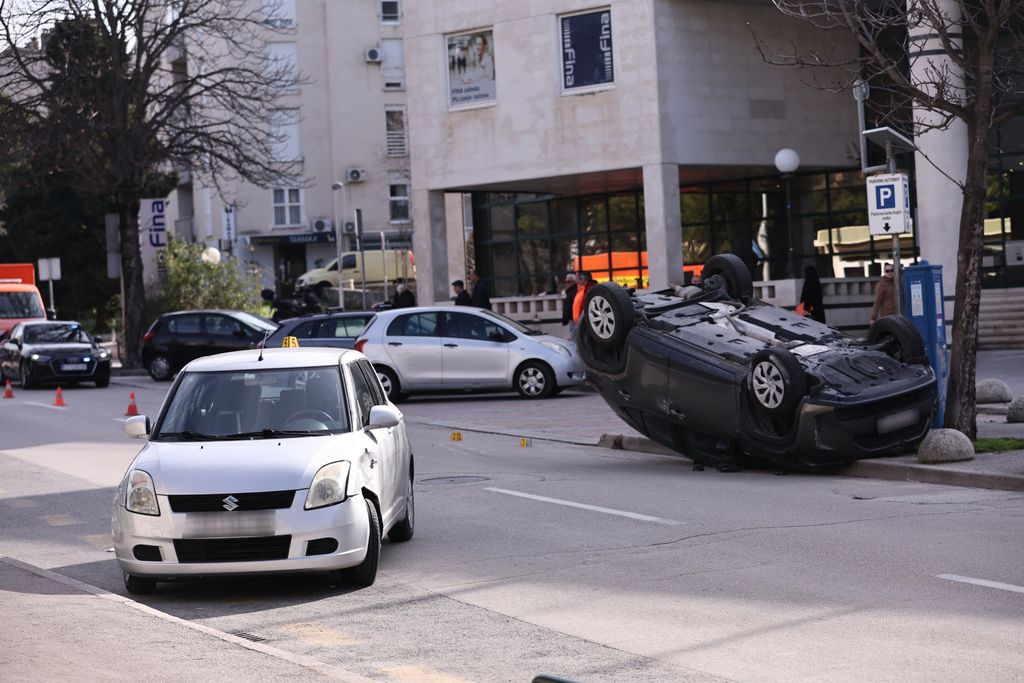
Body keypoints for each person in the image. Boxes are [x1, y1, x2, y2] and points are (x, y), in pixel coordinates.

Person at [561, 273, 578, 339]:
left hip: (573, 319)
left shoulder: (572, 293)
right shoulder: (572, 292)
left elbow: (567, 308)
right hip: (574, 319)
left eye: (568, 282)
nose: (566, 284)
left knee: (574, 338)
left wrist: (565, 320)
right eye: (566, 282)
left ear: (573, 282)